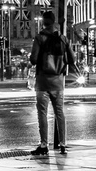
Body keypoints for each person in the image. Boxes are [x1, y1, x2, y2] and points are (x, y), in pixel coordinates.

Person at [29, 10, 74, 157]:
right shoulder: (63, 39)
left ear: (43, 21)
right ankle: (62, 144)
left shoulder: (39, 38)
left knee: (42, 113)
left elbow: (34, 60)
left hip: (43, 82)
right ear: (54, 22)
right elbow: (72, 60)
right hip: (58, 82)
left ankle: (44, 145)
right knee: (59, 112)